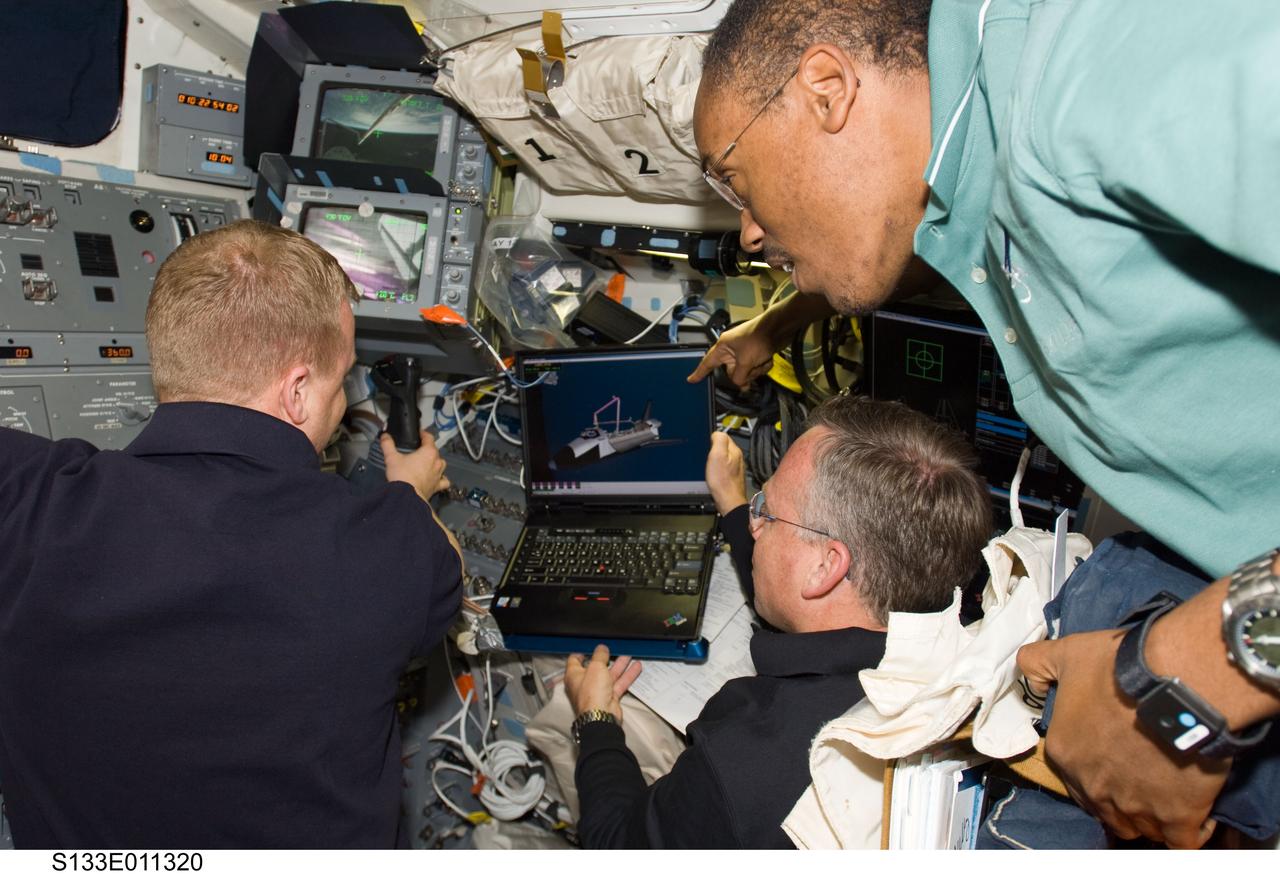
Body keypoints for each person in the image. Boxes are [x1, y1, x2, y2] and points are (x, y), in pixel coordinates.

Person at [685, 0, 1280, 848]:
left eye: (732, 179)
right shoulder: (978, 187)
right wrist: (776, 324)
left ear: (825, 89)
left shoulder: (1091, 61)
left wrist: (1211, 661)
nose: (745, 233)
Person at [0, 220, 463, 848]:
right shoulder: (386, 542)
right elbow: (444, 563)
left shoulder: (32, 499)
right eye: (342, 379)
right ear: (298, 390)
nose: (343, 402)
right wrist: (410, 492)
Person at [562, 395, 992, 848]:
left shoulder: (739, 769)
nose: (752, 522)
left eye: (765, 510)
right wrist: (732, 500)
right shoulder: (966, 631)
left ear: (826, 567)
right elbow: (799, 586)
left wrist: (596, 722)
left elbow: (614, 842)